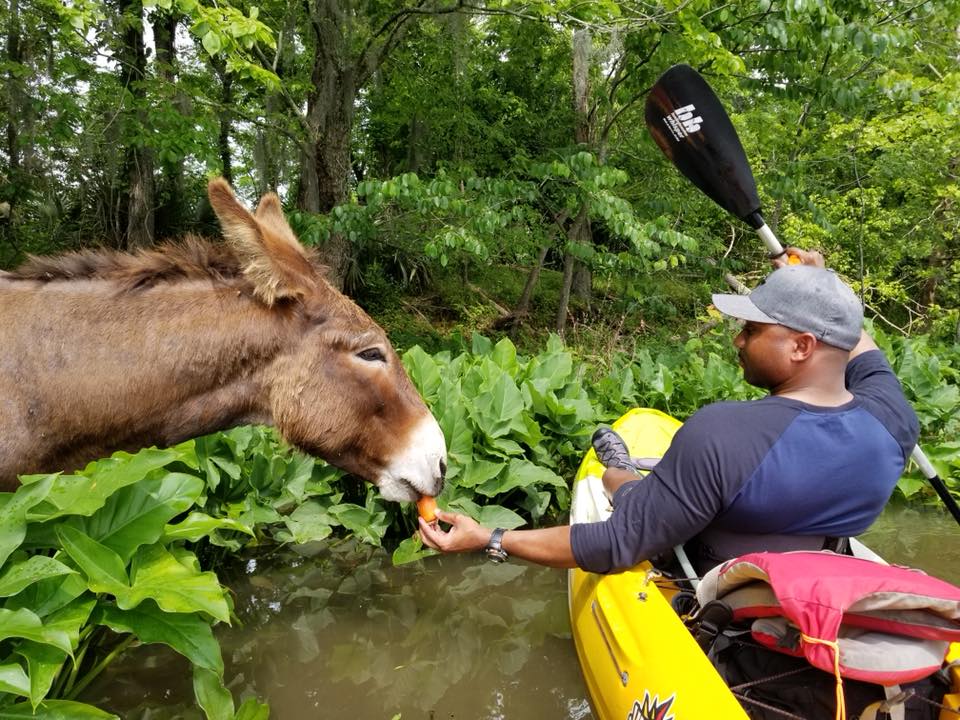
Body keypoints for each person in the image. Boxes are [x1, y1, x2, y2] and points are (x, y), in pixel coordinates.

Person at [419, 248, 920, 578]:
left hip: (714, 573)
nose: (737, 339)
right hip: (818, 562)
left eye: (751, 330)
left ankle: (617, 464)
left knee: (625, 486)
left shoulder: (725, 433)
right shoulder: (893, 420)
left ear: (802, 345)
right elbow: (857, 345)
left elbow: (617, 545)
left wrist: (490, 536)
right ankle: (622, 465)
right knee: (654, 488)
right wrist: (819, 283)